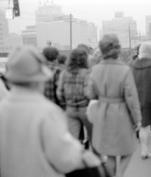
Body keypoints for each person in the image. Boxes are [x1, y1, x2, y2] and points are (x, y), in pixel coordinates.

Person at [0, 46, 100, 177]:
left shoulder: (3, 108)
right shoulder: (46, 112)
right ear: (38, 80)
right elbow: (64, 158)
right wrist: (87, 158)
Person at [86, 34, 141, 177]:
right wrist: (137, 119)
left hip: (102, 113)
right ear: (118, 49)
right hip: (122, 113)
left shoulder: (95, 69)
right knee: (128, 149)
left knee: (110, 153)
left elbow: (90, 93)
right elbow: (131, 98)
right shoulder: (124, 70)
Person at [57, 48, 91, 144]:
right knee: (94, 139)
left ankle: (76, 157)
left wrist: (65, 103)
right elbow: (88, 92)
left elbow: (59, 93)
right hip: (85, 109)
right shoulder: (87, 73)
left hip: (70, 108)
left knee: (73, 141)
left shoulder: (64, 73)